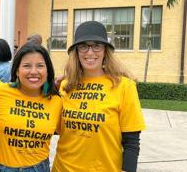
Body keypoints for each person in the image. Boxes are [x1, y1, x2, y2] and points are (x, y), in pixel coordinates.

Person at [52, 21, 146, 172]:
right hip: (62, 168)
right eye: (83, 46)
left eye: (97, 45)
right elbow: (55, 130)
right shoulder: (66, 85)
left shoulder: (124, 86)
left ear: (105, 51)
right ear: (76, 51)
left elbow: (132, 141)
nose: (90, 52)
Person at [0, 43, 62, 172]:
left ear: (47, 70)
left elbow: (69, 134)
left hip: (38, 168)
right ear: (16, 70)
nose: (33, 71)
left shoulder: (56, 101)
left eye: (40, 66)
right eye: (26, 66)